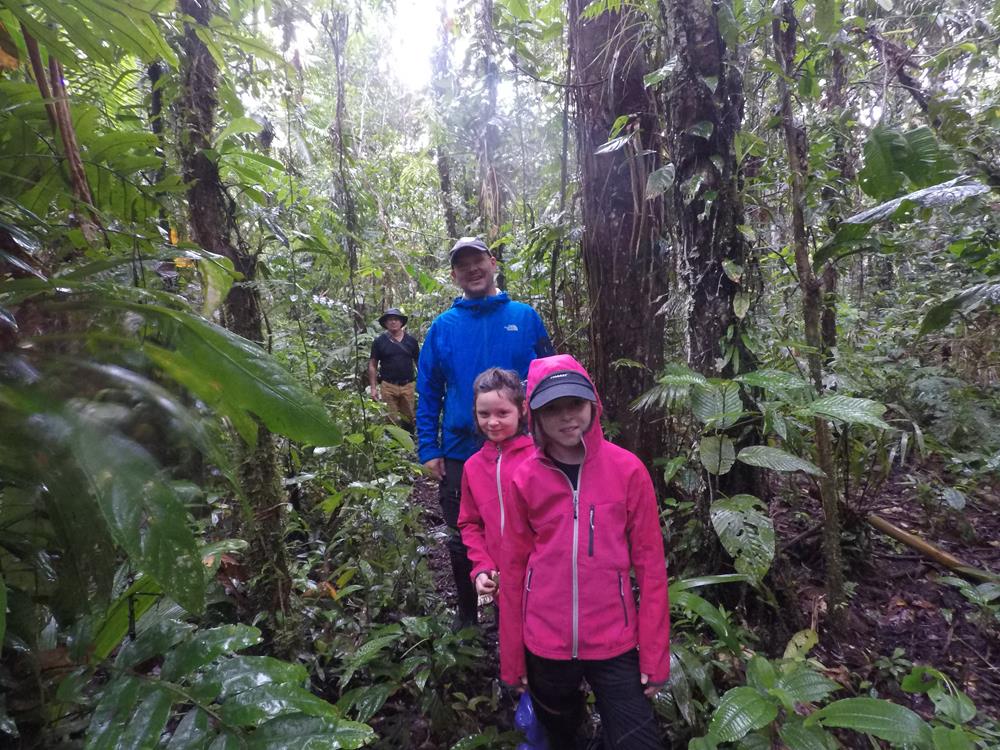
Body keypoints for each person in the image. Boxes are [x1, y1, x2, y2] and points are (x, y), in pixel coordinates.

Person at [499, 354, 669, 749]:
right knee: (563, 734)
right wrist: (512, 658)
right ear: (534, 416)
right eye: (551, 408)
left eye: (574, 403)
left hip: (614, 639)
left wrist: (655, 655)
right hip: (545, 641)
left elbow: (650, 567)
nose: (566, 417)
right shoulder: (524, 477)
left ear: (593, 403)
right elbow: (513, 569)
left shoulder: (628, 470)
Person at [417, 237, 553, 630]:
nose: (472, 269)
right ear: (454, 275)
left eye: (478, 260)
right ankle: (468, 616)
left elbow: (550, 375)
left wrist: (551, 438)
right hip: (462, 451)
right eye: (463, 265)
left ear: (493, 263)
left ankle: (529, 613)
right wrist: (429, 448)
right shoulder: (443, 328)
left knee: (531, 529)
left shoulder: (524, 317)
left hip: (525, 449)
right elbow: (429, 390)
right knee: (464, 534)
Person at [458, 368, 534, 615]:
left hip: (543, 579)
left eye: (502, 413)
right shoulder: (473, 467)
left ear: (522, 409)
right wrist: (481, 567)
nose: (492, 422)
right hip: (501, 582)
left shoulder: (540, 457)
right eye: (484, 414)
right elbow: (470, 523)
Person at [368, 308, 419, 432]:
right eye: (390, 320)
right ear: (385, 323)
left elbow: (419, 363)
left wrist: (424, 383)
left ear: (401, 322)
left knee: (409, 419)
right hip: (388, 386)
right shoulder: (379, 342)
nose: (393, 322)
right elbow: (373, 364)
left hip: (408, 385)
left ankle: (410, 441)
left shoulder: (411, 341)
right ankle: (393, 443)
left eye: (396, 319)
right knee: (391, 420)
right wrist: (373, 388)